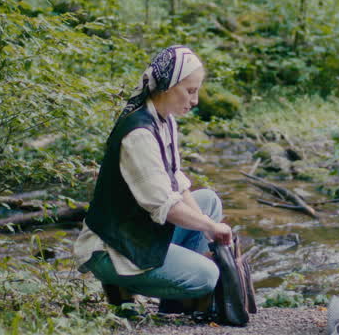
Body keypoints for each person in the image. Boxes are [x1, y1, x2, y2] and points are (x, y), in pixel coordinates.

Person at [73, 45, 232, 313]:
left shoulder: (164, 120)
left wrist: (207, 225)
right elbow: (164, 206)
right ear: (167, 86)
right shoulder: (139, 134)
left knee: (209, 202)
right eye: (190, 91)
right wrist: (211, 228)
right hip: (113, 248)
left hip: (138, 230)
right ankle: (125, 284)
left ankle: (174, 297)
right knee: (207, 276)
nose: (195, 101)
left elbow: (177, 181)